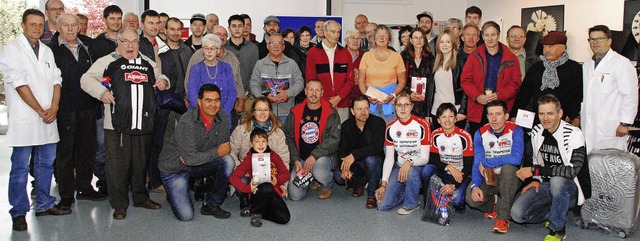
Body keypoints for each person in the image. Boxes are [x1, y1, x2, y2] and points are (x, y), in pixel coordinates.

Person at [81, 27, 169, 220]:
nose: (130, 46)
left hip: (142, 124)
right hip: (116, 126)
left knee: (140, 164)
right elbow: (85, 79)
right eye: (126, 41)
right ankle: (119, 204)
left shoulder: (146, 62)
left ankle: (140, 197)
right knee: (117, 166)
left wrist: (164, 82)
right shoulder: (107, 61)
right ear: (118, 43)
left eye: (134, 42)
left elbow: (159, 75)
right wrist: (101, 92)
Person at [1, 8, 69, 231]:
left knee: (45, 164)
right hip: (27, 118)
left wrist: (54, 107)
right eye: (33, 24)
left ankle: (43, 203)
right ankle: (19, 211)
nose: (37, 28)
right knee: (20, 168)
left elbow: (56, 80)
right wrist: (41, 110)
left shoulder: (47, 51)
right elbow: (19, 83)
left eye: (41, 25)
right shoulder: (11, 50)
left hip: (49, 116)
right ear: (23, 25)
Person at [511, 94, 591, 241]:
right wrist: (535, 179)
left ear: (560, 113)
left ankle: (558, 228)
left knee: (557, 180)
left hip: (570, 187)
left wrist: (535, 171)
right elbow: (536, 160)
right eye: (541, 113)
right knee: (517, 214)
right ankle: (555, 212)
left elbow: (571, 171)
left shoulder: (574, 134)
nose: (545, 118)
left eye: (550, 113)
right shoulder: (536, 132)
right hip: (546, 184)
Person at [48, 12, 106, 209]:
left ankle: (85, 188)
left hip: (88, 107)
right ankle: (65, 194)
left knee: (86, 151)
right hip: (65, 110)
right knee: (65, 154)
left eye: (74, 25)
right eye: (66, 25)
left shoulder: (88, 47)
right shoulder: (50, 50)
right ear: (58, 27)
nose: (71, 29)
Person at [158, 84, 235, 221]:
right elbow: (194, 158)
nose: (213, 105)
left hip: (197, 162)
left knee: (228, 161)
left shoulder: (222, 116)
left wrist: (197, 155)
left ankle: (211, 204)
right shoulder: (187, 121)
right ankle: (172, 192)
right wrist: (214, 152)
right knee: (186, 216)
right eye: (208, 100)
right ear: (199, 102)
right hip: (175, 168)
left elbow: (224, 149)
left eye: (216, 100)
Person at [466, 100, 523, 234]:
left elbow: (516, 159)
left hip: (511, 178)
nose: (494, 118)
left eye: (498, 114)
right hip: (490, 177)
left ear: (506, 116)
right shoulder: (480, 133)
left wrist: (488, 162)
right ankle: (493, 206)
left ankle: (503, 217)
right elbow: (477, 163)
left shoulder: (516, 130)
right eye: (490, 114)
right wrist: (475, 186)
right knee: (470, 198)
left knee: (508, 168)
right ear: (486, 117)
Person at [582, 25, 638, 153]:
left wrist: (625, 123)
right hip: (590, 126)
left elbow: (630, 95)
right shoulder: (587, 65)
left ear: (609, 40)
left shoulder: (622, 64)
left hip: (612, 127)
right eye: (591, 39)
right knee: (592, 164)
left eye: (600, 39)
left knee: (612, 165)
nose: (595, 42)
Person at [460, 21, 522, 137]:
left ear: (499, 35)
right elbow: (465, 80)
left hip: (501, 109)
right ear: (482, 36)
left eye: (493, 35)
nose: (490, 38)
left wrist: (499, 95)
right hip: (478, 109)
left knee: (501, 145)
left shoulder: (511, 58)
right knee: (479, 144)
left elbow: (515, 84)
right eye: (487, 35)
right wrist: (477, 96)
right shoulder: (474, 56)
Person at [230, 97, 290, 215]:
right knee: (241, 179)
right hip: (247, 172)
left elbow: (284, 159)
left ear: (270, 112)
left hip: (270, 174)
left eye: (266, 110)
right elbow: (231, 152)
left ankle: (261, 202)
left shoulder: (278, 133)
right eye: (259, 109)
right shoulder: (241, 130)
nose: (262, 113)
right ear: (253, 112)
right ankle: (245, 199)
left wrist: (282, 183)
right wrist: (240, 167)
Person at [375, 91, 431, 214]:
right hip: (399, 166)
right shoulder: (390, 127)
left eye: (406, 104)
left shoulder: (423, 125)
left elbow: (425, 158)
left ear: (411, 106)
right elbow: (389, 158)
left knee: (410, 172)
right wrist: (383, 184)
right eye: (399, 105)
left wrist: (409, 162)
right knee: (382, 205)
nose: (403, 108)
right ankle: (405, 192)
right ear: (395, 107)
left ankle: (412, 203)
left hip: (418, 165)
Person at [285, 80, 341, 200]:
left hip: (322, 158)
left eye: (317, 90)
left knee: (319, 170)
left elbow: (334, 140)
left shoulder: (331, 113)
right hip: (301, 159)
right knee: (295, 196)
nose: (313, 93)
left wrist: (314, 156)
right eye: (311, 90)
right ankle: (312, 179)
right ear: (305, 91)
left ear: (322, 93)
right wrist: (295, 160)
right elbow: (289, 137)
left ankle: (326, 185)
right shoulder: (295, 112)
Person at [512, 31, 582, 127]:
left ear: (563, 48)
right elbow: (524, 94)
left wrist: (571, 115)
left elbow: (578, 95)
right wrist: (514, 114)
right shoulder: (536, 68)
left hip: (564, 120)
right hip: (538, 121)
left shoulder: (574, 68)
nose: (546, 50)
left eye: (551, 46)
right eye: (545, 46)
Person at [88, 4, 123, 195]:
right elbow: (92, 76)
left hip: (125, 102)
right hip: (103, 102)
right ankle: (103, 181)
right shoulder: (97, 44)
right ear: (105, 20)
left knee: (121, 145)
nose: (116, 22)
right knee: (102, 144)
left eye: (119, 18)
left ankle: (120, 179)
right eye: (112, 18)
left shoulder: (128, 42)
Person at [185, 26, 245, 130]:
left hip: (222, 116)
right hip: (199, 118)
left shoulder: (226, 67)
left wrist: (221, 113)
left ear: (218, 50)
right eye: (206, 48)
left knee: (222, 146)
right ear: (202, 50)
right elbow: (192, 93)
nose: (209, 51)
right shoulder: (196, 69)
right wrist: (205, 114)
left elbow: (232, 92)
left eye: (212, 48)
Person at [230, 128, 291, 227]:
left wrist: (277, 180)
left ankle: (258, 212)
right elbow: (233, 177)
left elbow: (286, 174)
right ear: (251, 143)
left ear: (267, 142)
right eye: (257, 141)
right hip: (257, 193)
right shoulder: (249, 159)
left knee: (285, 218)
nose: (261, 145)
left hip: (272, 192)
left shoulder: (274, 157)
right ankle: (256, 213)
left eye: (263, 141)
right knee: (265, 186)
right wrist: (247, 188)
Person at [421, 103, 474, 212]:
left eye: (450, 116)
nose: (447, 120)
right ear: (439, 120)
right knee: (427, 170)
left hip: (461, 174)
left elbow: (468, 165)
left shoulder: (465, 136)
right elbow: (433, 159)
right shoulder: (435, 135)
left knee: (457, 201)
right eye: (443, 117)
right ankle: (428, 203)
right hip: (444, 171)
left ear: (455, 118)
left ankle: (458, 200)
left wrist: (454, 185)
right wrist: (449, 167)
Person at [336, 95, 385, 208]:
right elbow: (342, 150)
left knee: (371, 160)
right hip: (356, 164)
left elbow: (376, 147)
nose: (363, 112)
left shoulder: (378, 123)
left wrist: (353, 155)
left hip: (374, 163)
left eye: (366, 108)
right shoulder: (346, 126)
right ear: (352, 111)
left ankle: (372, 195)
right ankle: (359, 182)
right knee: (338, 176)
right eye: (359, 109)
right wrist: (344, 168)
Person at [306, 20, 354, 122]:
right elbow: (311, 80)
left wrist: (338, 98)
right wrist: (326, 102)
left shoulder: (345, 53)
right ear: (324, 32)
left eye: (338, 32)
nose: (336, 35)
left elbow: (350, 81)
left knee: (341, 135)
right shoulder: (313, 52)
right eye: (333, 32)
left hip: (342, 105)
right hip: (320, 103)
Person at [250, 33, 304, 122]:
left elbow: (300, 83)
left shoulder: (291, 64)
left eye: (279, 44)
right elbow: (253, 85)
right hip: (265, 114)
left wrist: (288, 93)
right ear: (267, 46)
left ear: (283, 47)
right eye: (273, 43)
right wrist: (264, 98)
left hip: (287, 113)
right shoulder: (260, 64)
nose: (276, 46)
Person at [358, 25, 407, 124]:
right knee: (371, 136)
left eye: (385, 35)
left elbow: (402, 81)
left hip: (390, 102)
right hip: (370, 103)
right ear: (374, 38)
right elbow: (361, 80)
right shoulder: (366, 56)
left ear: (389, 39)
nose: (381, 37)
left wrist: (393, 95)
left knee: (388, 134)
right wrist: (366, 95)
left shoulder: (397, 56)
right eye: (379, 35)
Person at [426, 29, 467, 130]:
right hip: (436, 111)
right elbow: (430, 90)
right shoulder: (434, 64)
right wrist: (427, 113)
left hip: (455, 112)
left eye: (448, 42)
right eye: (441, 42)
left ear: (453, 43)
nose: (444, 45)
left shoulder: (461, 63)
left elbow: (466, 89)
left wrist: (463, 110)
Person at [226, 14, 260, 111]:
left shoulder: (253, 48)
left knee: (247, 125)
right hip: (227, 97)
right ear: (229, 28)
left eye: (240, 26)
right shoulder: (224, 48)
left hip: (248, 97)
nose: (237, 29)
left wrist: (247, 93)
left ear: (244, 27)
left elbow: (255, 73)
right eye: (233, 26)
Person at [401, 28, 434, 119]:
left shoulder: (430, 58)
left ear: (424, 40)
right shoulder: (403, 57)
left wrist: (428, 111)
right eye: (415, 37)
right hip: (407, 100)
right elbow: (399, 79)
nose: (418, 40)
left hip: (425, 103)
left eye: (421, 37)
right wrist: (409, 93)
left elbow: (432, 84)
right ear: (411, 40)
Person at [345, 29, 365, 100]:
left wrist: (361, 76)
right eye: (352, 38)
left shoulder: (365, 56)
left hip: (361, 98)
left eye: (358, 38)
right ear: (346, 40)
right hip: (343, 99)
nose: (355, 41)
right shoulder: (339, 56)